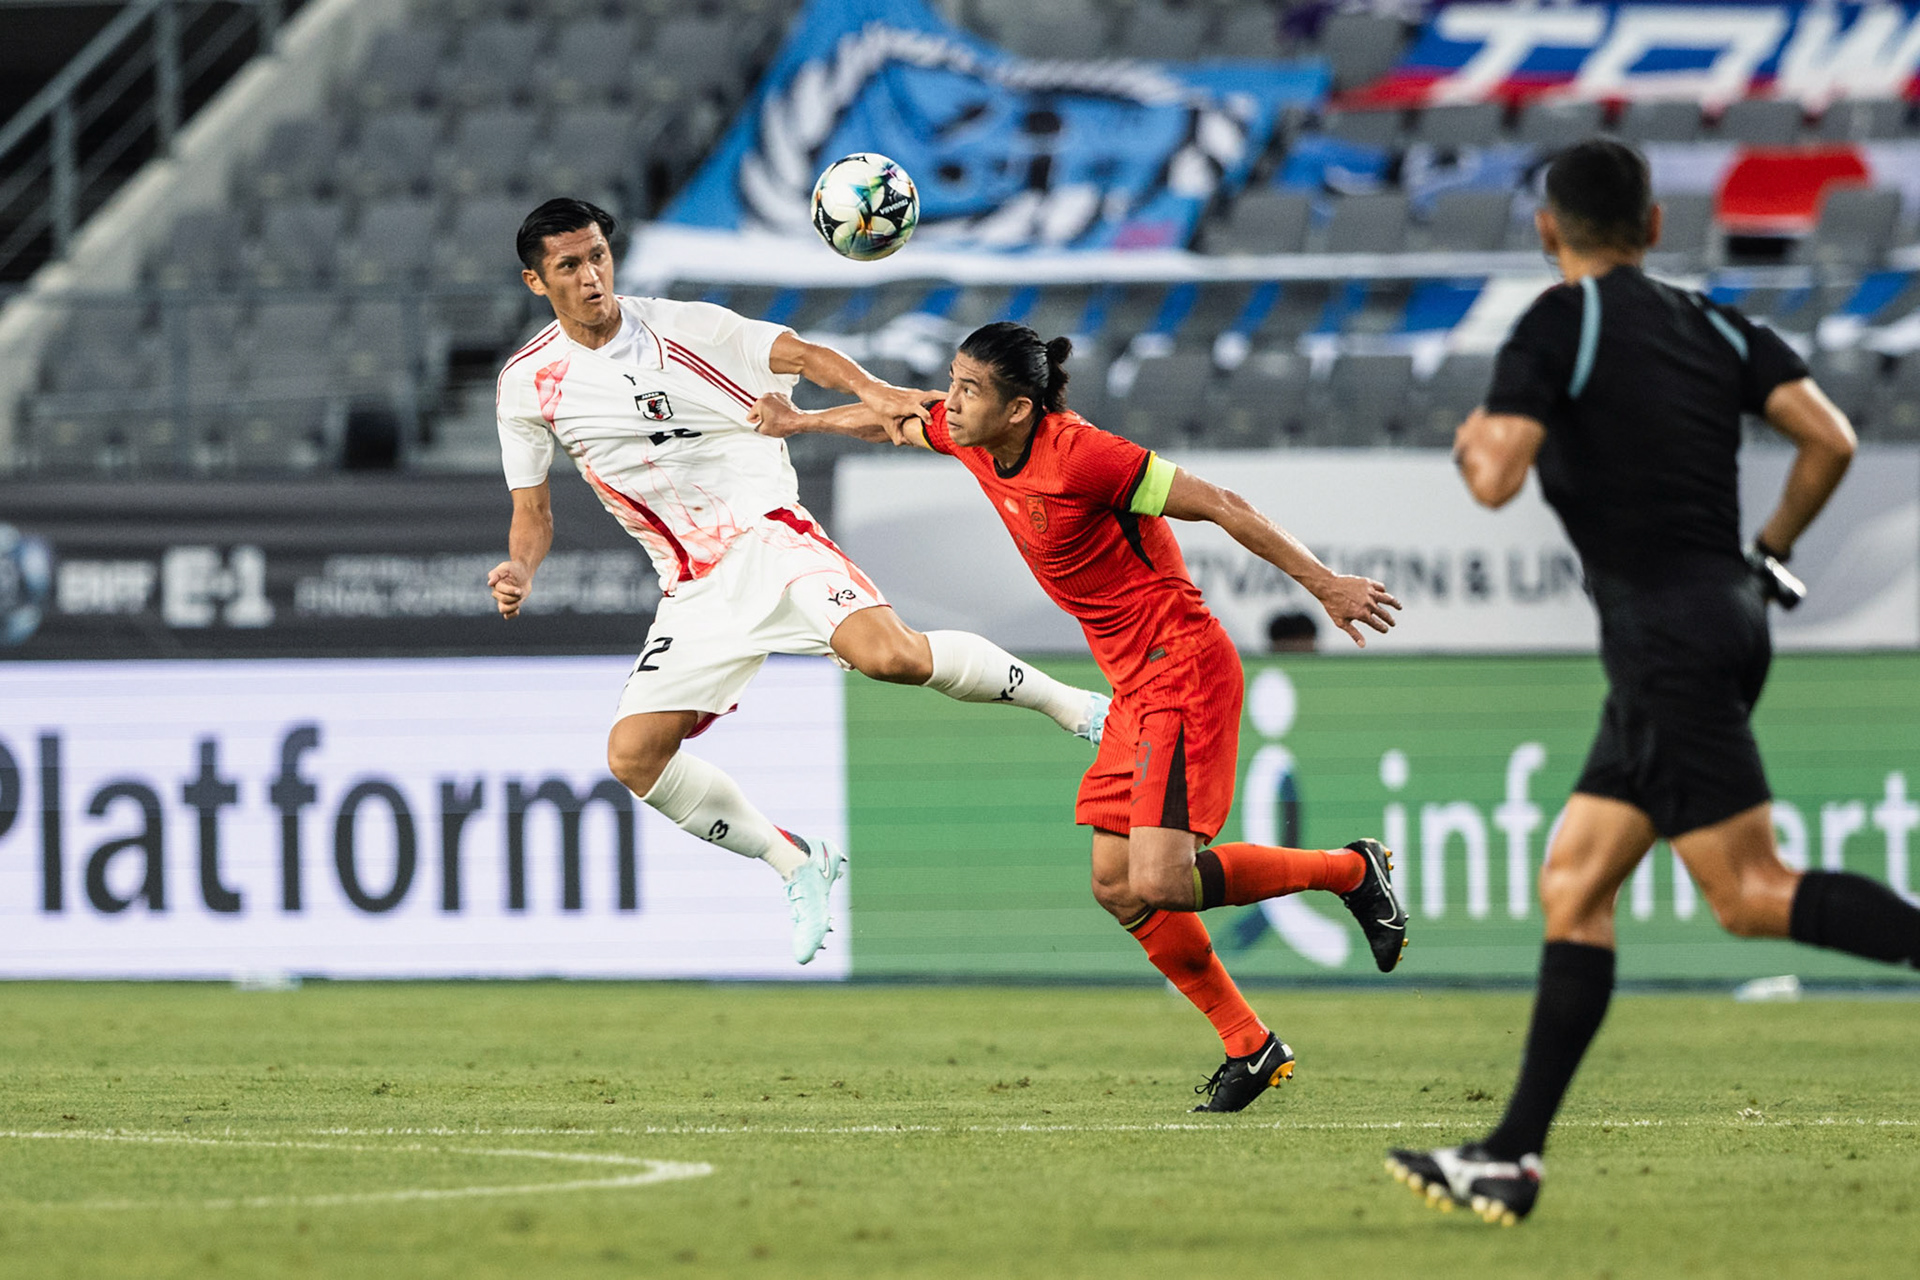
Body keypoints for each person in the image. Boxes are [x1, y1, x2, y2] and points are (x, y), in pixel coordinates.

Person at [1384, 139, 1919, 1226]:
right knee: (1575, 881)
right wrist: (1769, 550)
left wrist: (1472, 437)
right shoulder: (1714, 321)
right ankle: (1511, 1157)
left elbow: (1493, 480)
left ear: (1547, 232)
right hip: (1718, 616)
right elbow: (1831, 437)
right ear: (1655, 227)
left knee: (1748, 893)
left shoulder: (1557, 322)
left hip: (1663, 637)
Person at [751, 322, 1408, 1112]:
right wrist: (801, 423)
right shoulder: (976, 438)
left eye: (969, 389)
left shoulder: (1087, 458)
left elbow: (1223, 504)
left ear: (1021, 407)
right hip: (1135, 686)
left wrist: (1325, 582)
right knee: (1117, 885)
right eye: (953, 381)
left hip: (1183, 669)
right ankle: (1251, 1045)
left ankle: (1351, 870)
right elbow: (895, 413)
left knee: (1162, 877)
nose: (950, 402)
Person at [490, 199, 1111, 966]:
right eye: (569, 266)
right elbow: (534, 511)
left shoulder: (683, 328)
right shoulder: (528, 384)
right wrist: (521, 568)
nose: (592, 276)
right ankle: (795, 860)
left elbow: (803, 355)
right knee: (633, 758)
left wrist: (878, 392)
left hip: (767, 535)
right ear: (534, 280)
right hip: (692, 586)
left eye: (598, 257)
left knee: (894, 659)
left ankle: (1072, 705)